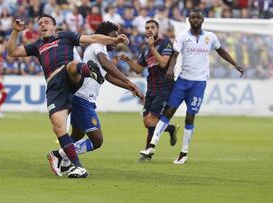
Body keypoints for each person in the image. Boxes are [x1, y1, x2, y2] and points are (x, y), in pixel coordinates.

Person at [7, 14, 129, 178]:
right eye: (40, 23)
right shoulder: (37, 46)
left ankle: (89, 71)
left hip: (70, 77)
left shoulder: (66, 36)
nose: (42, 25)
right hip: (55, 87)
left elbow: (92, 38)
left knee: (72, 65)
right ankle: (75, 166)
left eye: (46, 22)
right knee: (58, 126)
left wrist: (113, 40)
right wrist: (15, 31)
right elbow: (12, 52)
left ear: (54, 27)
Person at [141, 9, 244, 164]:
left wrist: (235, 64)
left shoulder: (210, 37)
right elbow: (175, 55)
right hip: (182, 81)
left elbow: (221, 51)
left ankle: (184, 153)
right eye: (193, 17)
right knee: (168, 111)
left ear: (202, 20)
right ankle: (152, 146)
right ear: (189, 20)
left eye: (198, 17)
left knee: (190, 116)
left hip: (199, 83)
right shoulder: (182, 36)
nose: (196, 19)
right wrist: (170, 69)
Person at [50, 21, 144, 176]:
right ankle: (58, 154)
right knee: (97, 141)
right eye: (113, 37)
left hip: (82, 97)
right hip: (83, 99)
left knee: (77, 135)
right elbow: (106, 66)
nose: (115, 42)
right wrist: (129, 81)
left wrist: (130, 87)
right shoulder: (97, 46)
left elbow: (107, 76)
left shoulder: (99, 49)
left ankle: (66, 164)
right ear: (105, 36)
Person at [120, 19, 179, 162]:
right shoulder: (145, 49)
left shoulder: (165, 43)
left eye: (152, 27)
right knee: (147, 122)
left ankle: (147, 153)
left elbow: (164, 63)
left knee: (152, 120)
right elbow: (139, 70)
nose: (149, 30)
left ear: (157, 29)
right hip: (151, 87)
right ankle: (169, 129)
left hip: (165, 86)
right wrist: (128, 60)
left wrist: (152, 48)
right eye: (147, 28)